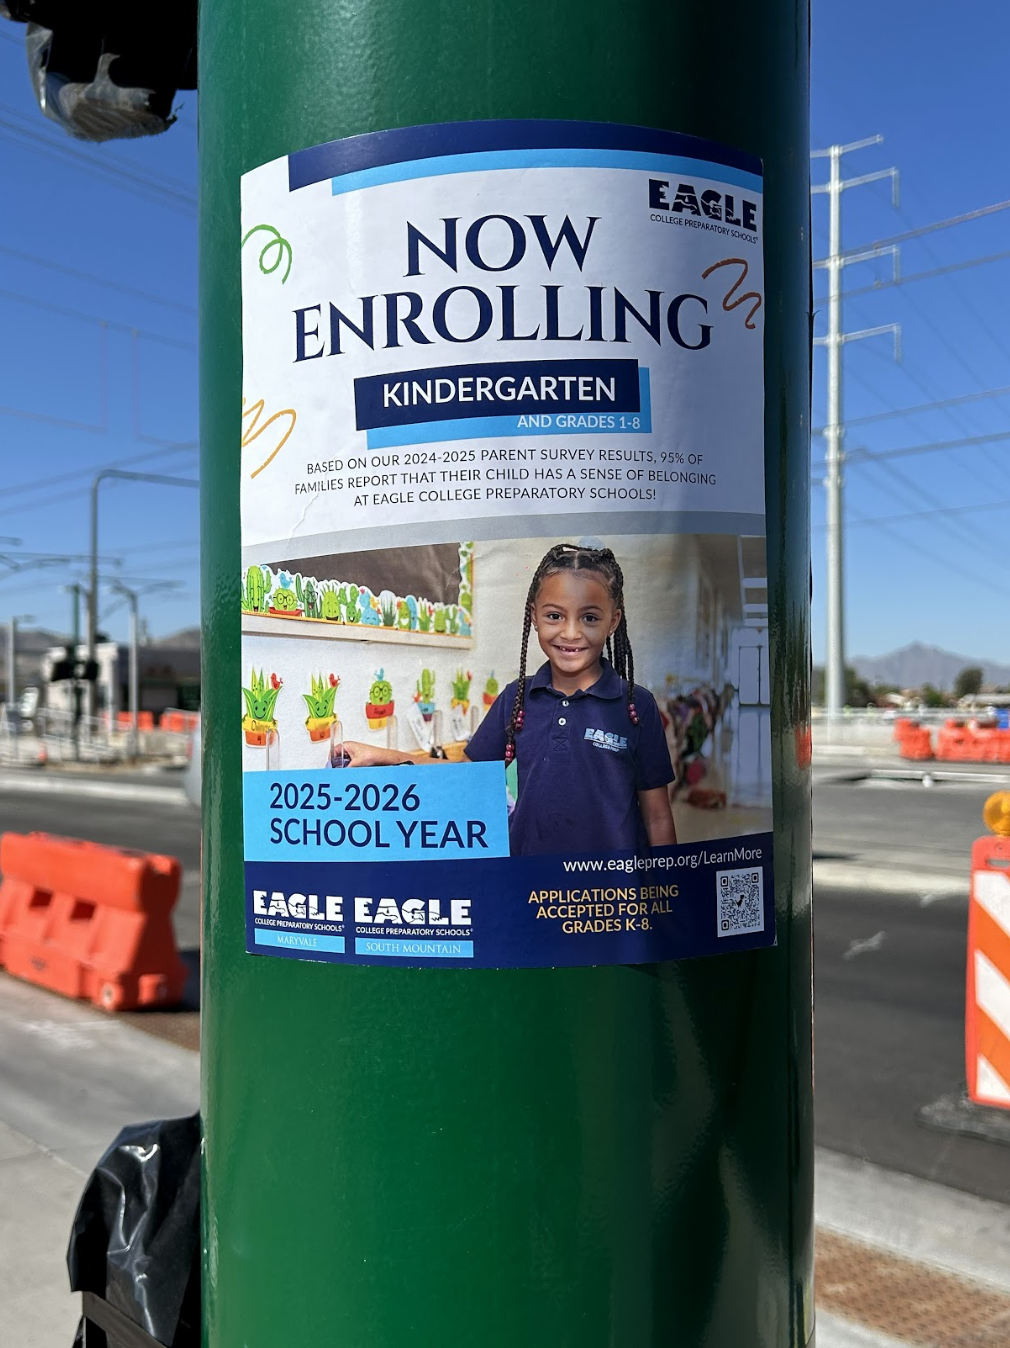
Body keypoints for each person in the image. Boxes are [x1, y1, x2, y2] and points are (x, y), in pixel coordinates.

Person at [342, 543, 677, 856]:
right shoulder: (517, 698)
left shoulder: (636, 706)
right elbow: (467, 777)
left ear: (613, 621)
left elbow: (658, 818)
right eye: (554, 616)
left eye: (589, 617)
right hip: (527, 887)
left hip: (611, 897)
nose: (571, 633)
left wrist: (667, 895)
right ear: (534, 616)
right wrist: (380, 756)